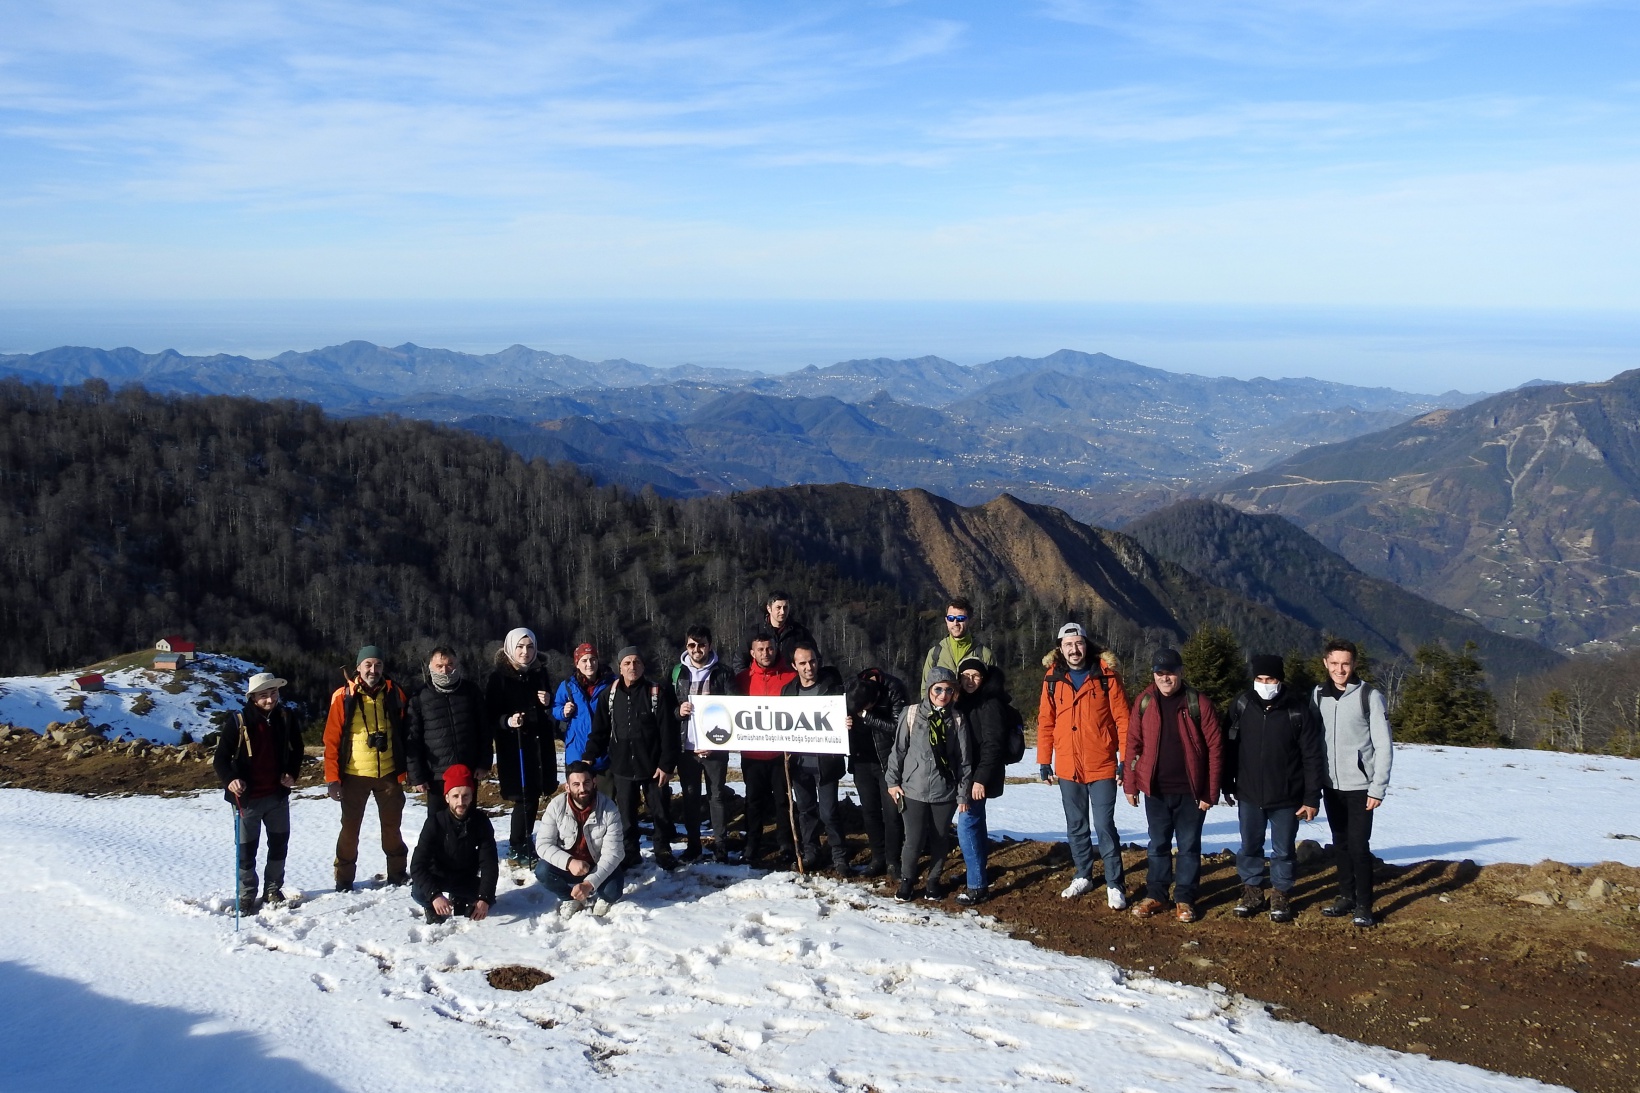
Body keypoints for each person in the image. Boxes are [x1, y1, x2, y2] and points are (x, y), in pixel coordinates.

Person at [1123, 648, 1223, 924]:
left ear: (1181, 672)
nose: (1165, 678)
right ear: (1154, 674)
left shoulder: (1198, 703)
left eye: (1170, 673)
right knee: (1158, 845)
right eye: (1160, 673)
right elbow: (1133, 744)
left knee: (1189, 846)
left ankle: (1185, 899)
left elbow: (1215, 749)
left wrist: (1209, 792)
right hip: (1155, 789)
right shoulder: (1144, 702)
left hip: (1191, 791)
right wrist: (1130, 784)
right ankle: (1156, 895)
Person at [1224, 654, 1325, 923]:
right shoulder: (1242, 704)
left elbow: (1312, 757)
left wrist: (1311, 797)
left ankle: (1280, 893)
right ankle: (1252, 891)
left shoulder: (1297, 711)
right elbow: (1229, 746)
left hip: (1287, 796)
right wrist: (1226, 782)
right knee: (1249, 846)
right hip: (1249, 792)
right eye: (1259, 678)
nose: (1264, 684)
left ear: (1280, 680)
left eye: (1270, 679)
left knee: (1283, 850)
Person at [1037, 622, 1131, 908]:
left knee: (1104, 825)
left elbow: (1123, 720)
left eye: (1078, 643)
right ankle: (1083, 874)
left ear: (1086, 645)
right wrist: (1044, 760)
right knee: (1076, 825)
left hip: (1101, 763)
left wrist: (1125, 760)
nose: (1074, 649)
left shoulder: (1106, 676)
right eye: (1068, 645)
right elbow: (1046, 721)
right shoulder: (1052, 678)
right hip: (1068, 765)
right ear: (1060, 648)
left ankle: (1115, 883)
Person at [1314, 639, 1393, 928]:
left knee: (1359, 847)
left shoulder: (1369, 696)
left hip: (1361, 787)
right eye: (1334, 663)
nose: (1340, 669)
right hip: (1331, 785)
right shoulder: (1318, 695)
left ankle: (1364, 905)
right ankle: (1346, 896)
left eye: (1345, 664)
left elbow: (1384, 745)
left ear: (1355, 664)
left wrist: (1378, 787)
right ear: (1326, 663)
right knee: (1341, 843)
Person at [214, 671, 304, 913]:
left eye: (273, 693)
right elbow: (220, 758)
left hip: (277, 796)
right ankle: (246, 895)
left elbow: (297, 749)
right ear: (252, 698)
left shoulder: (286, 716)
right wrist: (231, 779)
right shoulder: (239, 721)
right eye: (263, 695)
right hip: (247, 800)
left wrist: (292, 773)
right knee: (246, 851)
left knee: (279, 846)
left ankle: (273, 890)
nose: (270, 700)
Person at [324, 645, 412, 891]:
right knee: (350, 830)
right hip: (354, 775)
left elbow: (406, 731)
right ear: (358, 667)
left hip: (389, 773)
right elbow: (331, 740)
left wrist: (409, 769)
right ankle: (344, 879)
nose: (373, 670)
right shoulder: (343, 696)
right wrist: (332, 778)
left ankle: (397, 873)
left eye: (378, 665)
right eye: (368, 665)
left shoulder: (394, 693)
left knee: (392, 827)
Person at [886, 667, 973, 902]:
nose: (943, 695)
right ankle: (907, 880)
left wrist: (963, 794)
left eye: (949, 690)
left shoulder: (957, 719)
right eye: (938, 689)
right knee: (913, 840)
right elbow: (898, 750)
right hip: (913, 789)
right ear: (929, 690)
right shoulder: (911, 714)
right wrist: (892, 781)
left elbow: (964, 760)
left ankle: (933, 880)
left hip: (945, 791)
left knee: (940, 838)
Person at [587, 647, 678, 870]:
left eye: (636, 662)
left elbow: (669, 732)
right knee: (626, 814)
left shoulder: (656, 693)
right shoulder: (608, 695)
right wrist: (588, 757)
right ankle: (630, 851)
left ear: (643, 666)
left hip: (653, 766)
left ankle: (662, 849)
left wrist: (666, 765)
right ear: (620, 667)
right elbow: (599, 731)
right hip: (622, 766)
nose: (632, 667)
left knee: (660, 810)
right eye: (627, 663)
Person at [485, 627, 557, 866]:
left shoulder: (539, 672)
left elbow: (548, 705)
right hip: (514, 745)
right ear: (510, 648)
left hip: (539, 743)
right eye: (520, 647)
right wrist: (508, 721)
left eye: (530, 647)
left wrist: (548, 701)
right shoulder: (499, 678)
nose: (525, 652)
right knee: (524, 797)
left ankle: (524, 840)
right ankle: (517, 844)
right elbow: (490, 715)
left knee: (534, 794)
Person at [668, 625, 738, 863]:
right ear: (686, 646)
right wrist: (678, 711)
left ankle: (720, 846)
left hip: (716, 747)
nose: (696, 649)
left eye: (701, 645)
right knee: (690, 797)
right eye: (691, 645)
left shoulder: (723, 673)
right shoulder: (677, 672)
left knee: (716, 797)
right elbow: (668, 707)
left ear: (710, 645)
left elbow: (734, 709)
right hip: (687, 748)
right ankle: (694, 845)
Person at [781, 641, 852, 875]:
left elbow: (847, 711)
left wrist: (847, 721)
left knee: (829, 812)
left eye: (812, 661)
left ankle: (839, 856)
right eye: (802, 663)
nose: (808, 667)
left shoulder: (832, 688)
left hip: (826, 763)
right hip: (799, 763)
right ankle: (811, 853)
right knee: (805, 811)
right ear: (794, 666)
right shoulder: (788, 691)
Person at [734, 632, 797, 867]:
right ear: (752, 653)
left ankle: (786, 844)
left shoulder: (790, 677)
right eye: (760, 650)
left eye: (769, 648)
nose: (765, 653)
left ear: (775, 649)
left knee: (783, 800)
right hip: (752, 753)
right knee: (753, 801)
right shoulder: (742, 679)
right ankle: (752, 844)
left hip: (781, 754)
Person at [954, 657, 1013, 905]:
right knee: (976, 823)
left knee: (966, 825)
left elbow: (993, 745)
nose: (970, 680)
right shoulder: (964, 701)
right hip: (969, 774)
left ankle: (977, 885)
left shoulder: (989, 703)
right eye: (965, 676)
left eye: (975, 676)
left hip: (978, 777)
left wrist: (980, 780)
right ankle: (977, 871)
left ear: (984, 678)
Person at [535, 761, 627, 918]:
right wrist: (569, 862)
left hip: (598, 864)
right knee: (542, 871)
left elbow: (614, 853)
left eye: (586, 782)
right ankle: (570, 898)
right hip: (569, 866)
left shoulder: (609, 808)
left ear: (594, 782)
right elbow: (543, 844)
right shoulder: (556, 806)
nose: (582, 789)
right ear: (567, 787)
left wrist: (589, 883)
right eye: (576, 784)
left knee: (612, 892)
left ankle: (602, 897)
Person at [408, 764, 498, 925]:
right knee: (419, 892)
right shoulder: (434, 823)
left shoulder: (481, 822)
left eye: (465, 796)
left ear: (472, 796)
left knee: (489, 900)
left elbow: (489, 863)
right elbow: (417, 865)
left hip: (465, 877)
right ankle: (432, 907)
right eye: (455, 796)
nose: (461, 802)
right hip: (438, 876)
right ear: (447, 797)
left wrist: (484, 898)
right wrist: (434, 895)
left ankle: (459, 897)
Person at [406, 646, 491, 814]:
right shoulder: (420, 697)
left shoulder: (471, 691)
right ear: (430, 667)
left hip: (467, 771)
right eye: (439, 666)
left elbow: (485, 729)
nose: (445, 670)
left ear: (457, 664)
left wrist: (484, 763)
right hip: (436, 775)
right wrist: (417, 776)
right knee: (437, 822)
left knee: (467, 818)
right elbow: (412, 739)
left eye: (450, 664)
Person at [845, 668, 910, 879]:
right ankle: (877, 858)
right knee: (869, 812)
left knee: (892, 814)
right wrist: (845, 723)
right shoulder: (852, 687)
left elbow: (899, 727)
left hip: (888, 761)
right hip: (861, 760)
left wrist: (868, 717)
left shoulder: (894, 688)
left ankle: (893, 861)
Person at [554, 643, 615, 797]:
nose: (589, 664)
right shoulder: (568, 686)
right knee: (579, 798)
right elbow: (555, 708)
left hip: (604, 751)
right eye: (584, 660)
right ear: (577, 663)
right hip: (577, 750)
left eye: (593, 659)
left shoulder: (612, 683)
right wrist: (563, 711)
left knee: (605, 799)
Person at [920, 596, 996, 692]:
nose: (955, 623)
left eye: (960, 618)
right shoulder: (935, 654)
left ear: (970, 621)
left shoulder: (985, 655)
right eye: (951, 618)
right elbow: (925, 691)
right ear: (946, 620)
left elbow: (993, 692)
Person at [761, 589, 817, 667]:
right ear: (769, 609)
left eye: (785, 607)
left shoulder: (800, 632)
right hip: (764, 674)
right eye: (778, 607)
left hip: (792, 674)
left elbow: (815, 658)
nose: (782, 612)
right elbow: (742, 661)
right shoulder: (757, 632)